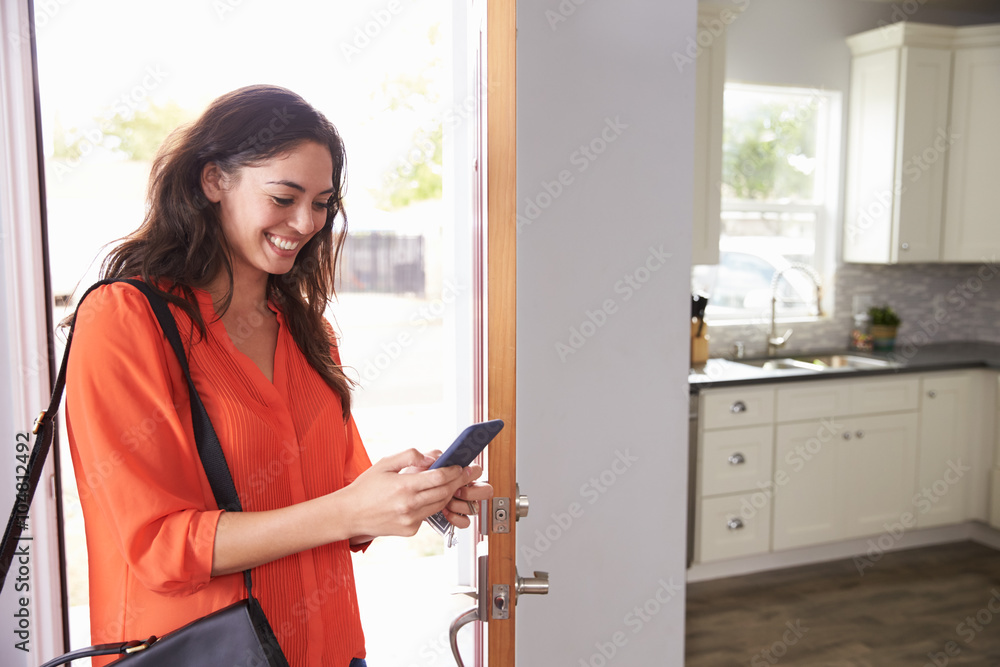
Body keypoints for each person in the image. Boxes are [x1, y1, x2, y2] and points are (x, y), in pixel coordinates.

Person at [65, 84, 492, 667]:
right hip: (205, 654)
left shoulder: (308, 333)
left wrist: (411, 491)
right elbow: (157, 546)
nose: (306, 222)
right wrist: (350, 509)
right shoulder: (126, 320)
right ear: (213, 181)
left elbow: (334, 504)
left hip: (332, 651)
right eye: (284, 196)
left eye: (321, 203)